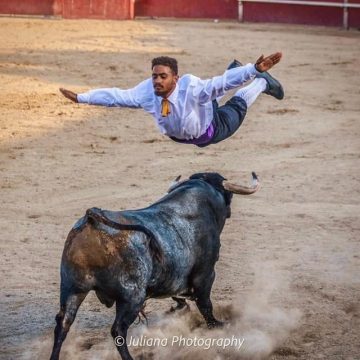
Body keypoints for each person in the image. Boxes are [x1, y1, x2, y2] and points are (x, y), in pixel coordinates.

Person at [60, 52, 283, 147]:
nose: (157, 81)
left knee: (236, 104)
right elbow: (116, 97)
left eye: (163, 77)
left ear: (175, 78)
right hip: (195, 119)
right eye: (154, 76)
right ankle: (240, 71)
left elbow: (221, 83)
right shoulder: (147, 91)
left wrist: (253, 70)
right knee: (209, 97)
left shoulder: (193, 89)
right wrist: (82, 98)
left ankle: (262, 82)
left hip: (211, 129)